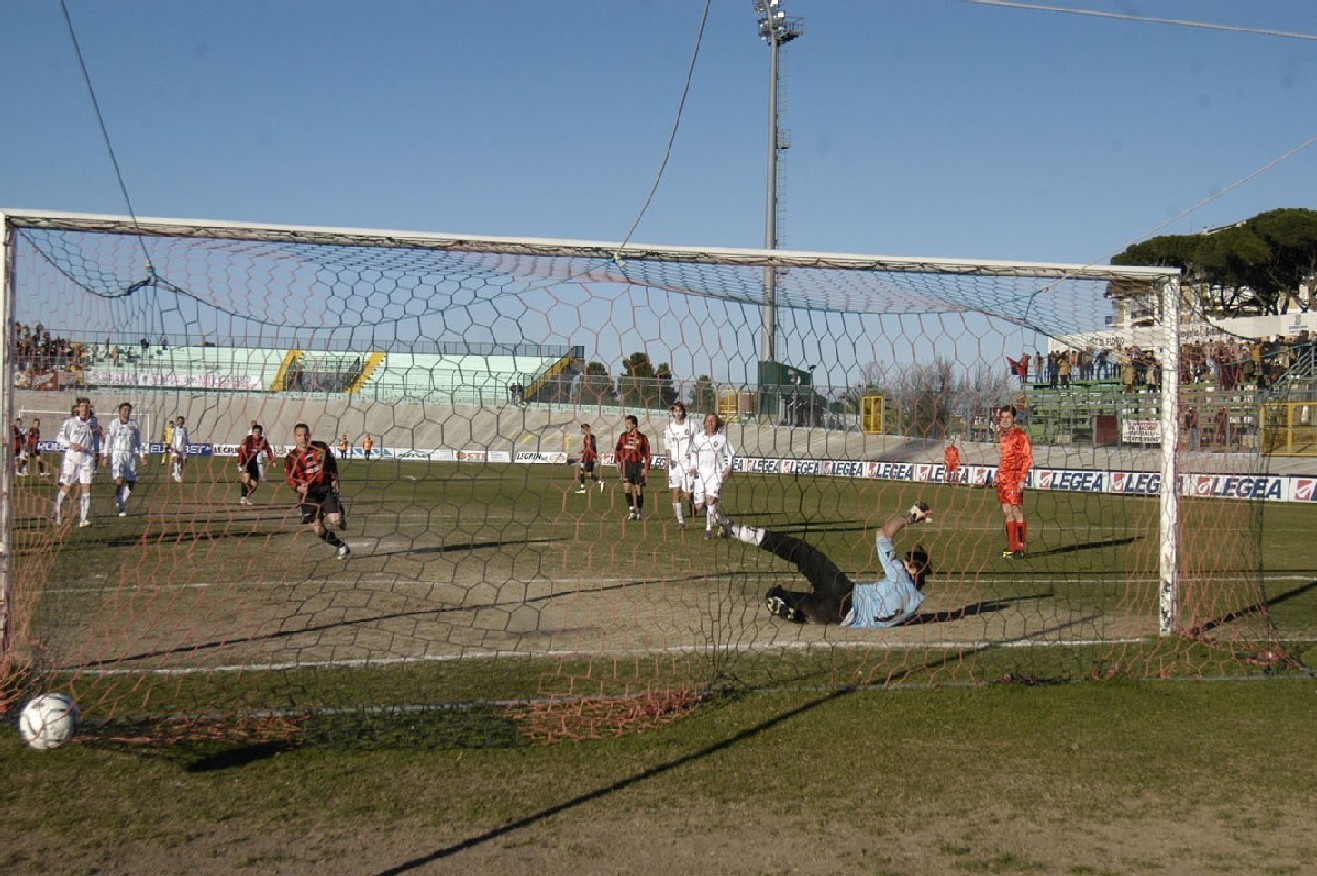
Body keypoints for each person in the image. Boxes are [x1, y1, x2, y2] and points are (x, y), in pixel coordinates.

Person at [723, 501, 933, 626]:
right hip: (836, 617)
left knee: (801, 552)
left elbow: (883, 533)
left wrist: (911, 515)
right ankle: (788, 603)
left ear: (913, 568)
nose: (902, 562)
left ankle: (737, 531)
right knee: (794, 599)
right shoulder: (915, 605)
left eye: (906, 560)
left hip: (844, 592)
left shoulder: (899, 575)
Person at [284, 423, 350, 560]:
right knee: (319, 530)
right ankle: (341, 545)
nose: (303, 438)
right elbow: (290, 477)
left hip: (325, 491)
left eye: (306, 435)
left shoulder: (320, 447)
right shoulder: (291, 457)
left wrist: (335, 479)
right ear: (295, 437)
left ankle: (339, 509)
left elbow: (332, 464)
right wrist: (298, 487)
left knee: (337, 522)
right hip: (309, 496)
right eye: (300, 435)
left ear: (310, 435)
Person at [688, 412, 736, 539]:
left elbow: (731, 453)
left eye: (713, 421)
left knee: (710, 500)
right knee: (698, 506)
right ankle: (723, 521)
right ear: (704, 423)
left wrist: (728, 467)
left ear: (717, 424)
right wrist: (693, 466)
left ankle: (708, 529)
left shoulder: (722, 439)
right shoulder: (698, 438)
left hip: (716, 474)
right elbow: (693, 453)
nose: (710, 423)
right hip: (700, 474)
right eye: (707, 420)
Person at [995, 404, 1033, 559]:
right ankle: (1011, 548)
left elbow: (1027, 457)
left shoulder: (1020, 435)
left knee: (1017, 511)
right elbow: (1004, 458)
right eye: (1002, 417)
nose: (1004, 420)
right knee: (1007, 512)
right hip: (1003, 479)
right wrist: (998, 474)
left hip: (1015, 478)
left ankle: (1020, 548)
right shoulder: (1003, 436)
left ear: (1014, 418)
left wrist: (1022, 479)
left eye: (1007, 417)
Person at [53, 397, 97, 527]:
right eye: (82, 406)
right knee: (67, 488)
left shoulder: (93, 423)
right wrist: (71, 444)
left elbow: (94, 441)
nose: (85, 409)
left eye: (87, 407)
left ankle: (83, 519)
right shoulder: (70, 422)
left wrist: (96, 455)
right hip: (72, 460)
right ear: (78, 408)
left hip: (87, 460)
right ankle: (58, 512)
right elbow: (59, 438)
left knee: (87, 489)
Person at [105, 402, 147, 517]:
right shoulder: (113, 424)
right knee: (120, 479)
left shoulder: (134, 424)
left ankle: (121, 501)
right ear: (119, 411)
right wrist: (105, 456)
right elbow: (109, 441)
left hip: (130, 456)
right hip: (118, 454)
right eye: (124, 410)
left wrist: (142, 456)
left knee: (132, 483)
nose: (126, 412)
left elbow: (138, 442)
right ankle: (121, 506)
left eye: (128, 410)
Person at [662, 403, 697, 528]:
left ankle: (696, 504)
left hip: (687, 464)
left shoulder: (692, 426)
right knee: (675, 493)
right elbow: (667, 447)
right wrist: (668, 459)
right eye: (675, 411)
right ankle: (681, 521)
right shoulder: (668, 429)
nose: (677, 413)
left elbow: (698, 443)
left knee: (687, 495)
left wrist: (694, 455)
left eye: (680, 410)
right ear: (672, 413)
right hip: (674, 465)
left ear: (683, 412)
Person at [613, 415, 651, 521]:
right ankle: (631, 511)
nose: (626, 425)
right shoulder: (623, 436)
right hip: (626, 465)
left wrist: (646, 467)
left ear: (634, 424)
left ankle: (639, 511)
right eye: (626, 423)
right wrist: (618, 462)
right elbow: (617, 449)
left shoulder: (642, 438)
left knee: (639, 489)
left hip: (638, 465)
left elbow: (647, 453)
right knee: (627, 487)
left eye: (628, 423)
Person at [237, 423, 276, 505]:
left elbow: (268, 450)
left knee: (254, 485)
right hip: (245, 461)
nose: (257, 433)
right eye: (255, 431)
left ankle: (246, 497)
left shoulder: (263, 440)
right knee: (246, 479)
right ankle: (243, 497)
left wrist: (272, 461)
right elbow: (241, 451)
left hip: (253, 462)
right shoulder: (247, 440)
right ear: (252, 432)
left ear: (261, 432)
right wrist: (241, 464)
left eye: (259, 432)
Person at [574, 423, 601, 493]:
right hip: (585, 457)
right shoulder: (588, 437)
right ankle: (582, 488)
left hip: (588, 457)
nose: (581, 431)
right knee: (582, 472)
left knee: (588, 472)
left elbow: (592, 448)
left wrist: (594, 457)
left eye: (581, 429)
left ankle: (600, 482)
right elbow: (587, 447)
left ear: (584, 429)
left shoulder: (589, 437)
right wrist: (582, 451)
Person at [169, 415, 190, 483]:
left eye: (182, 421)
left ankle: (177, 471)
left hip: (183, 448)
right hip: (176, 448)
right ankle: (176, 474)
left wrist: (188, 444)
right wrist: (173, 448)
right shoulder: (174, 430)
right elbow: (173, 439)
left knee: (184, 464)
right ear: (177, 422)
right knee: (177, 458)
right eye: (179, 421)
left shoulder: (185, 429)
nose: (181, 422)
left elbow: (185, 438)